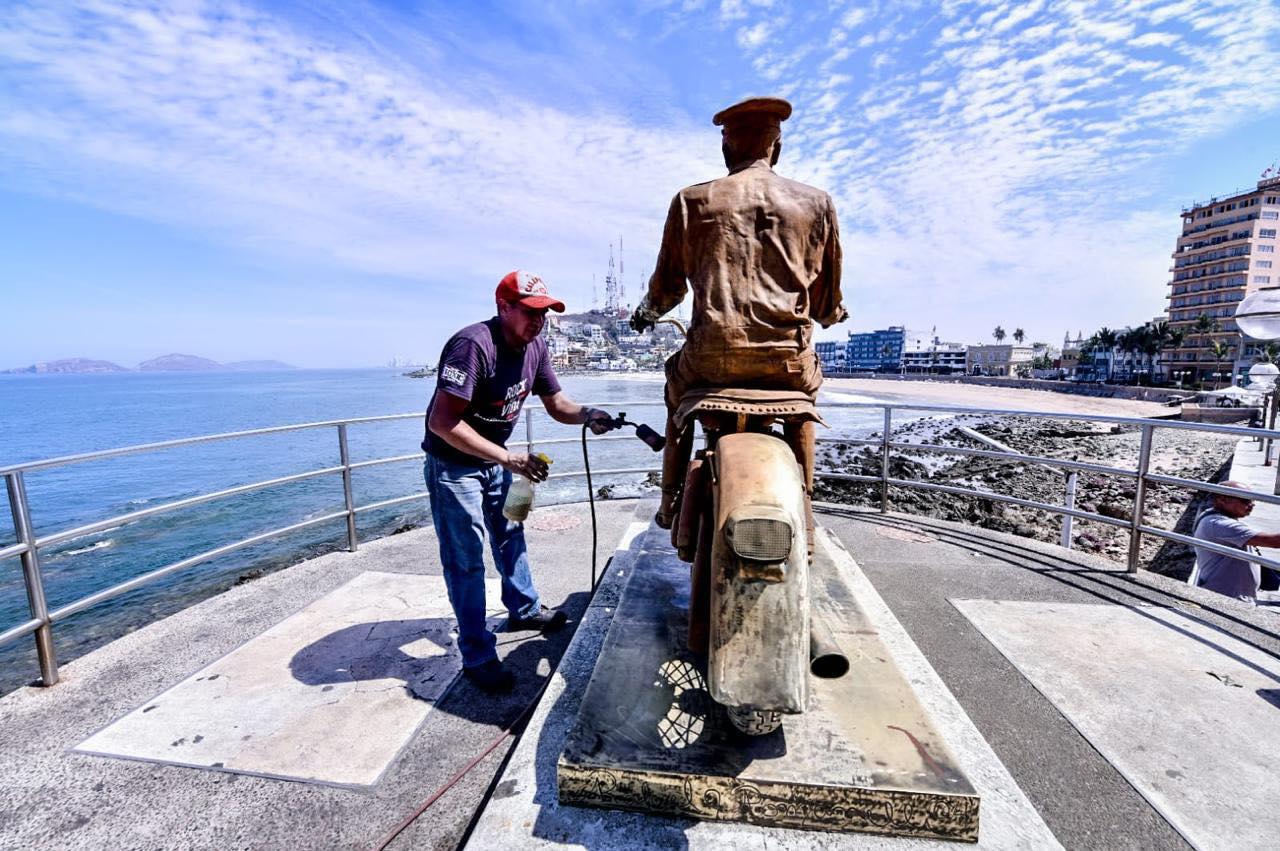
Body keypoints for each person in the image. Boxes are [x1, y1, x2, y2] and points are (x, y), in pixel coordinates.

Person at [629, 96, 847, 526]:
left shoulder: (692, 201)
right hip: (785, 363)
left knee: (676, 395)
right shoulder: (816, 204)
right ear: (776, 148)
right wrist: (833, 313)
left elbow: (667, 288)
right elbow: (825, 302)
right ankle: (806, 505)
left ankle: (669, 501)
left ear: (727, 149)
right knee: (806, 395)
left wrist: (645, 314)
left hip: (710, 362)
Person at [424, 270, 613, 692]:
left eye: (544, 313)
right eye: (529, 312)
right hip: (455, 467)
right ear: (503, 307)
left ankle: (523, 610)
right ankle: (477, 654)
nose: (538, 321)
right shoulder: (473, 346)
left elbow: (558, 403)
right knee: (466, 557)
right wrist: (510, 458)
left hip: (497, 461)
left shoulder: (536, 346)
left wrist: (587, 414)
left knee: (511, 532)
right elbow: (442, 422)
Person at [1190, 481, 1280, 603]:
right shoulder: (1219, 524)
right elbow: (1274, 542)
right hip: (1226, 598)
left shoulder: (1216, 516)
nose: (1252, 504)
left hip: (1230, 595)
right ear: (1222, 499)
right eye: (1245, 500)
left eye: (1253, 500)